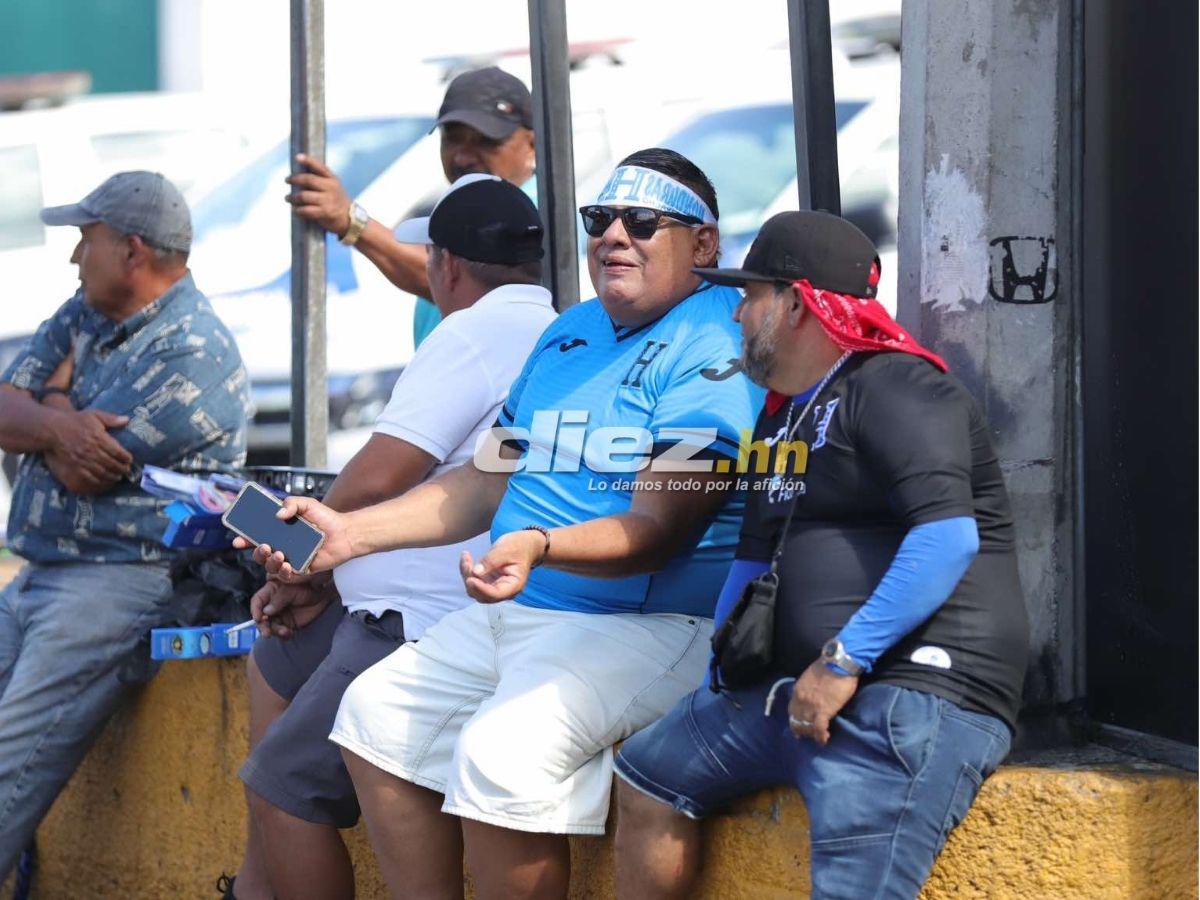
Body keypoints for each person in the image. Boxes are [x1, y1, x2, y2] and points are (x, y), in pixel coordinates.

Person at [242, 149, 764, 898]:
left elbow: (658, 528)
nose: (615, 235)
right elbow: (485, 480)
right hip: (527, 610)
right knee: (374, 718)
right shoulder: (569, 333)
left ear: (704, 243)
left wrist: (540, 547)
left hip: (652, 625)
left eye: (644, 222)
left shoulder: (717, 340)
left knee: (499, 753)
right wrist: (347, 535)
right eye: (600, 219)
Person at [611, 210, 1031, 900]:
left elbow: (946, 537)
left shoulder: (897, 386)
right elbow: (753, 557)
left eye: (750, 296)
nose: (737, 314)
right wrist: (721, 670)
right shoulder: (784, 413)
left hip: (907, 694)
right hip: (788, 689)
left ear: (797, 304)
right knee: (648, 775)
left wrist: (843, 662)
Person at [223, 175, 556, 900]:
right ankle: (252, 888)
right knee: (275, 658)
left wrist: (301, 562)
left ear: (446, 265)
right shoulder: (555, 328)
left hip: (418, 617)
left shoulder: (469, 333)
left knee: (282, 789)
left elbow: (376, 478)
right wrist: (315, 577)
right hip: (413, 599)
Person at [0, 171, 248, 880]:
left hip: (119, 581)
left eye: (87, 239)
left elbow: (84, 469)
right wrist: (60, 420)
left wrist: (47, 408)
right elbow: (7, 411)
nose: (75, 256)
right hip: (42, 572)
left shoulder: (196, 350)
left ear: (132, 250)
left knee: (10, 761)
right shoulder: (86, 311)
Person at [285, 66, 537, 348]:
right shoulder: (459, 208)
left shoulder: (535, 213)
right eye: (452, 138)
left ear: (532, 144)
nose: (463, 157)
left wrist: (351, 221)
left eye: (486, 140)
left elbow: (463, 281)